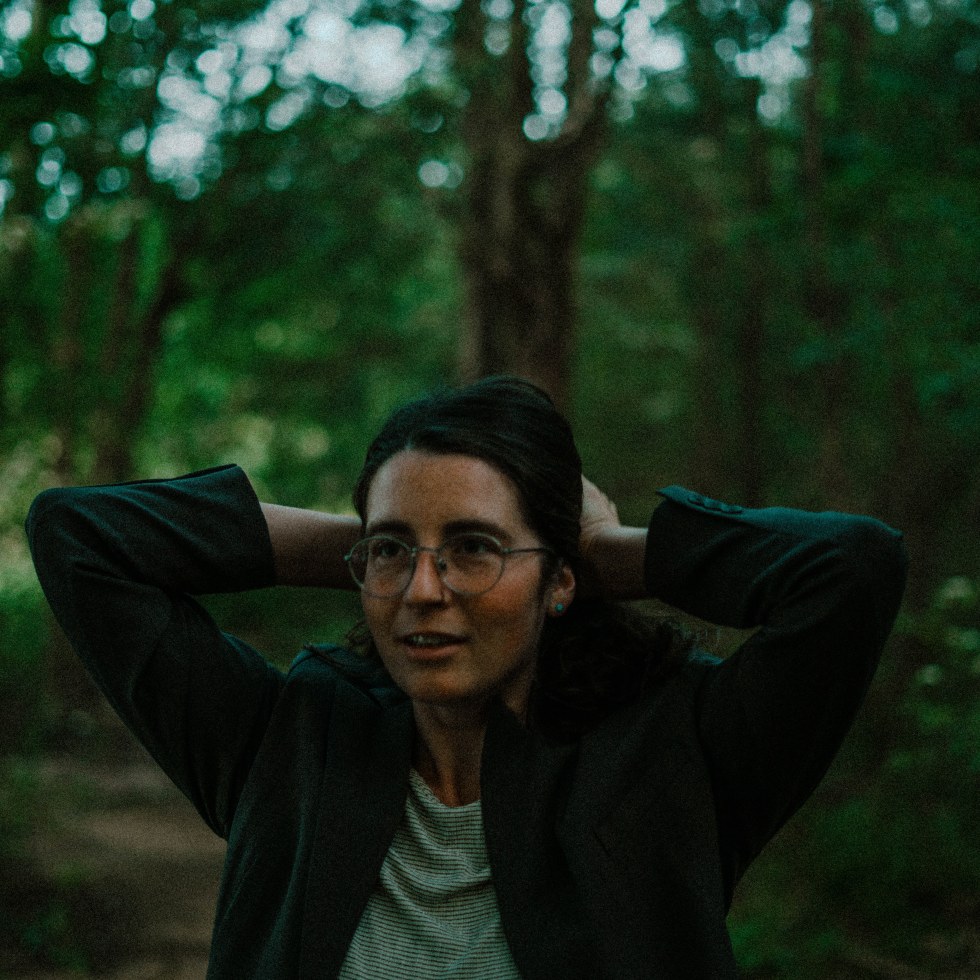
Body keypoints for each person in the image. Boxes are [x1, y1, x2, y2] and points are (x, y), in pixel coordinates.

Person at [26, 375, 908, 979]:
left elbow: (850, 570)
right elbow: (79, 536)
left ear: (561, 579)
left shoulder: (673, 757)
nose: (423, 591)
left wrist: (599, 550)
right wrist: (377, 544)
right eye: (391, 552)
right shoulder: (289, 743)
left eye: (474, 548)